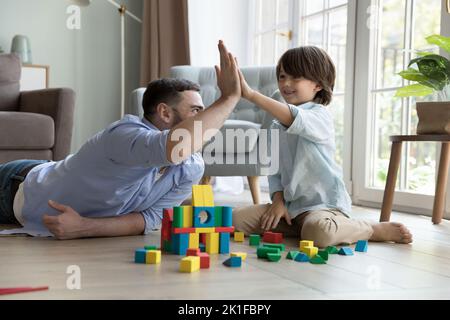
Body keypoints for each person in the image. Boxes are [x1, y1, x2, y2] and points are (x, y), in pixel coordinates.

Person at [0, 40, 241, 240]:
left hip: (32, 201)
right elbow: (174, 147)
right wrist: (228, 99)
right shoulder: (125, 135)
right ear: (165, 113)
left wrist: (83, 226)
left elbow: (149, 219)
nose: (206, 119)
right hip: (14, 187)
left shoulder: (192, 167)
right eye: (196, 111)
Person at [232, 46, 413, 247]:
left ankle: (370, 229)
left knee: (319, 233)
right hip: (291, 210)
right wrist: (278, 201)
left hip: (323, 207)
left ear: (318, 84)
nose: (286, 83)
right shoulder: (276, 125)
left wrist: (251, 95)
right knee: (235, 219)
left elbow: (293, 118)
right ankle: (300, 227)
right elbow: (275, 172)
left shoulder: (319, 115)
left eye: (295, 77)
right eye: (282, 76)